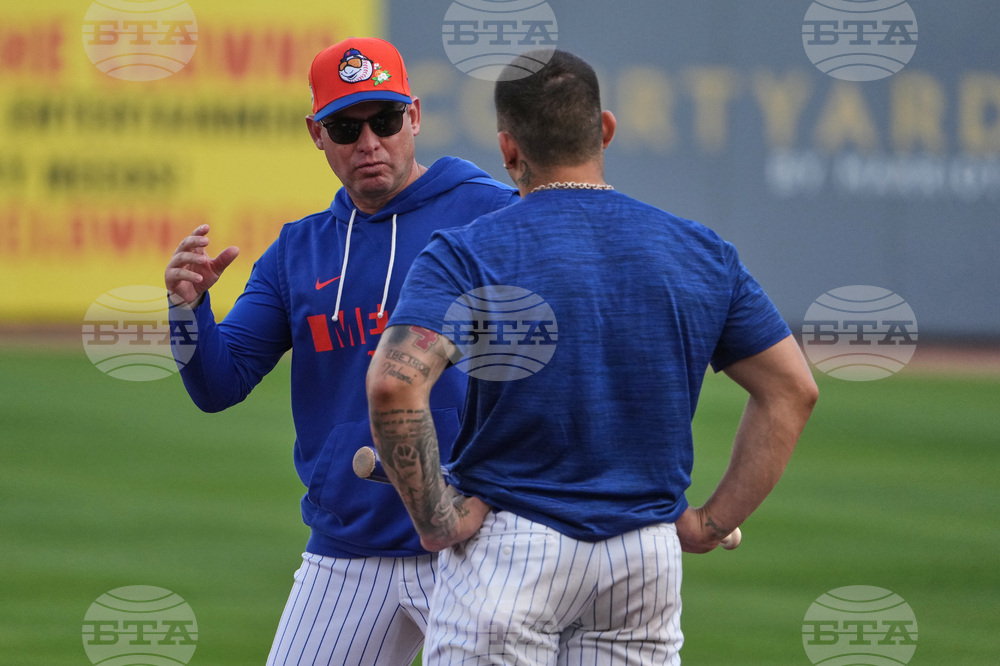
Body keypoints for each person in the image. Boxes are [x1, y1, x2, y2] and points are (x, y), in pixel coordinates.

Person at [365, 49, 819, 664]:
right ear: (604, 129)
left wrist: (438, 520)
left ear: (508, 149)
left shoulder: (466, 253)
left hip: (511, 554)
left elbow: (394, 386)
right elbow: (792, 389)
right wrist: (709, 524)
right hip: (644, 562)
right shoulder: (701, 251)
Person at [164, 37, 519, 665]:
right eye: (345, 126)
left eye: (383, 120)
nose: (369, 142)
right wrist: (189, 310)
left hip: (474, 542)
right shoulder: (298, 252)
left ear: (413, 115)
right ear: (316, 133)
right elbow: (219, 385)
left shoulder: (490, 212)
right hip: (348, 549)